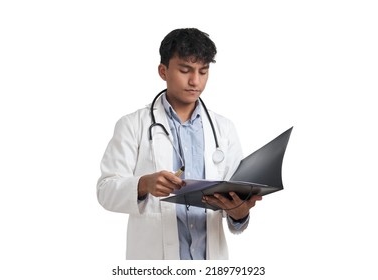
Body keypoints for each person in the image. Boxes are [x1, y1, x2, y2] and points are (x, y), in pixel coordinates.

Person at [97, 28, 262, 260]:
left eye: (203, 72)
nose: (195, 81)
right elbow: (105, 190)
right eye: (185, 70)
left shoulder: (223, 129)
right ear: (163, 71)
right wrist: (143, 184)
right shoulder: (132, 125)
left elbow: (235, 198)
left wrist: (239, 213)